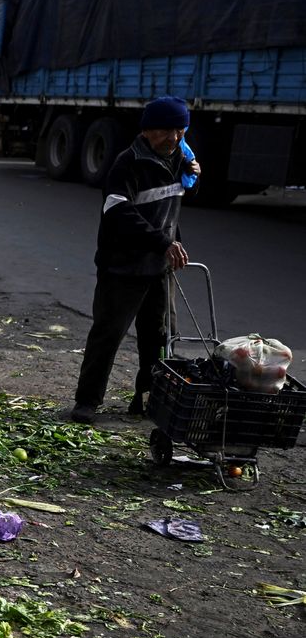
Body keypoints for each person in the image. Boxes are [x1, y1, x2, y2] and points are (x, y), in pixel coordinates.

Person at [70, 96, 202, 424]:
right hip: (123, 265)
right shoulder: (127, 163)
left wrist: (193, 178)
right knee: (109, 332)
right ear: (146, 132)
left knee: (159, 337)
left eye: (179, 131)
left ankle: (147, 397)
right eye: (165, 132)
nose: (172, 138)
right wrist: (163, 242)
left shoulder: (180, 159)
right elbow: (118, 212)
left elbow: (171, 205)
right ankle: (87, 401)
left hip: (160, 266)